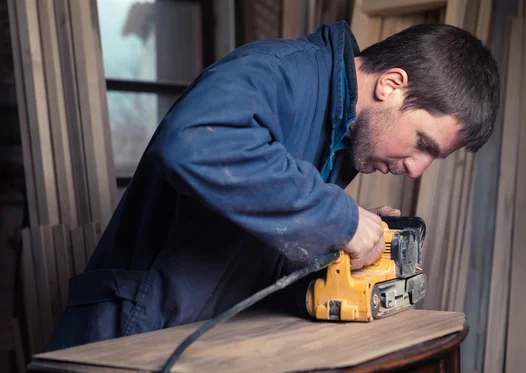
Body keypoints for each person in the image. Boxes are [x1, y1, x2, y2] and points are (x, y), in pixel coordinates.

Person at [47, 20, 499, 351]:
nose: (417, 169)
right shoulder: (278, 72)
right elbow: (193, 145)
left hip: (203, 340)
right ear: (392, 85)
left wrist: (341, 244)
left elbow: (256, 231)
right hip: (124, 333)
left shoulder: (340, 134)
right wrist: (338, 218)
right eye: (423, 143)